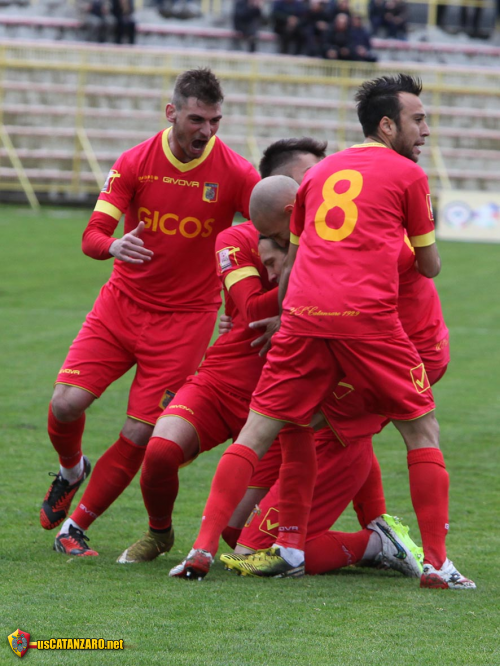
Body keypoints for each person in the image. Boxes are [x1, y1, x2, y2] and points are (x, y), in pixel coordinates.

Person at [170, 74, 475, 590]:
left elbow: (293, 267)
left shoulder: (318, 176)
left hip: (309, 318)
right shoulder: (407, 176)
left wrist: (284, 316)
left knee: (267, 428)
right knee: (419, 433)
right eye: (418, 119)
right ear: (387, 125)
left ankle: (204, 549)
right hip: (371, 323)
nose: (426, 129)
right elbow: (430, 267)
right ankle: (434, 563)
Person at [40, 68, 260, 557]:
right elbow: (92, 236)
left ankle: (74, 528)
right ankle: (72, 471)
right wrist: (114, 245)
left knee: (140, 432)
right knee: (65, 404)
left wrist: (239, 302)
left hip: (186, 321)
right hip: (121, 305)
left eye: (215, 121)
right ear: (171, 113)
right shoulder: (135, 161)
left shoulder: (237, 172)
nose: (206, 131)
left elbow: (267, 235)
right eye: (197, 119)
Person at [116, 138, 327, 563]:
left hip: (281, 396)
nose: (317, 185)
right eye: (308, 177)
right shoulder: (236, 238)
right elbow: (250, 310)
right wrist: (299, 300)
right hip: (224, 380)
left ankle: (375, 541)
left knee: (240, 537)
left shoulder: (330, 240)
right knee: (160, 450)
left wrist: (295, 311)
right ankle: (159, 532)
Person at [220, 207, 450, 577]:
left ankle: (380, 544)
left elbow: (414, 271)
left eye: (277, 246)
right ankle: (380, 530)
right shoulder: (330, 234)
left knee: (253, 549)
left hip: (396, 355)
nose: (273, 274)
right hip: (383, 351)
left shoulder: (346, 238)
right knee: (233, 532)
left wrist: (293, 317)